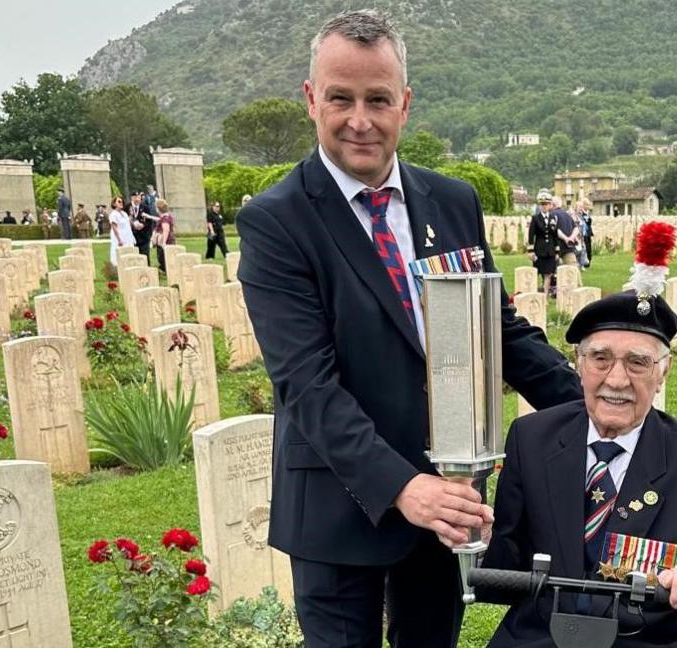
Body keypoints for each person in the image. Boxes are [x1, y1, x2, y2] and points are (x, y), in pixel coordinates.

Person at [233, 10, 584, 648]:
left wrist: (595, 414)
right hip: (342, 508)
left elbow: (496, 330)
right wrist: (402, 487)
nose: (359, 120)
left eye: (378, 99)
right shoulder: (275, 221)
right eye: (341, 98)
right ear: (312, 99)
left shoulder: (451, 200)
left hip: (447, 501)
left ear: (406, 104)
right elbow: (306, 384)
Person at [481, 290, 677, 647]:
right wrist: (482, 539)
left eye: (637, 363)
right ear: (579, 365)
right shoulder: (531, 439)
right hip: (538, 638)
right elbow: (509, 563)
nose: (616, 380)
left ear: (663, 372)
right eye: (600, 358)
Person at [527, 189, 561, 294]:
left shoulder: (553, 218)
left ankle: (545, 295)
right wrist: (531, 251)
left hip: (550, 250)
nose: (544, 206)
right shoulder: (535, 218)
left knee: (548, 274)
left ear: (550, 205)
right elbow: (531, 235)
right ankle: (534, 293)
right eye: (542, 204)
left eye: (546, 204)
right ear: (539, 206)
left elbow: (555, 235)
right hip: (539, 250)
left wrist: (557, 251)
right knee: (537, 272)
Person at [108, 196, 134, 266]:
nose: (121, 203)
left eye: (122, 201)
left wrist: (131, 215)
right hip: (119, 236)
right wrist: (119, 239)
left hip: (127, 236)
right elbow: (114, 227)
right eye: (119, 202)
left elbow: (128, 225)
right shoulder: (113, 214)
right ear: (114, 204)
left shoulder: (124, 214)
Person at [153, 198, 176, 274]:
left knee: (163, 257)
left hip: (165, 240)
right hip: (169, 239)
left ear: (158, 208)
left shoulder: (165, 218)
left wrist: (164, 242)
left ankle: (165, 270)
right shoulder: (167, 216)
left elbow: (166, 230)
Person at [576, 197, 594, 268]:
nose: (588, 206)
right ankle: (584, 262)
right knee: (584, 248)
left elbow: (589, 222)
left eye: (588, 205)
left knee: (589, 248)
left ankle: (589, 261)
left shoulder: (588, 213)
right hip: (583, 234)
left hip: (588, 233)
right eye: (586, 204)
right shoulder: (581, 214)